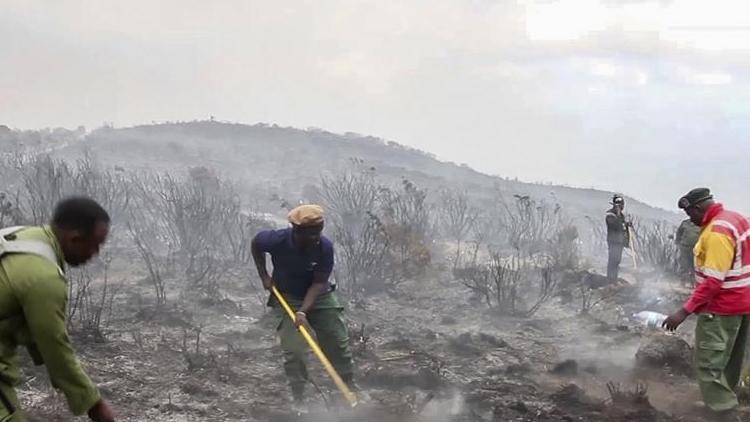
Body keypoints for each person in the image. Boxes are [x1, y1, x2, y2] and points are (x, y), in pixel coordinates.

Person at [0, 197, 116, 422]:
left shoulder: (22, 237)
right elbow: (55, 347)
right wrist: (94, 404)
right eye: (96, 244)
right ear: (75, 238)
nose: (96, 253)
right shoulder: (44, 277)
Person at [251, 204, 354, 409]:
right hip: (288, 297)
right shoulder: (276, 240)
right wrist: (264, 275)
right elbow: (256, 244)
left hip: (320, 297)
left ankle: (349, 389)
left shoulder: (324, 247)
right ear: (296, 230)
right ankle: (298, 399)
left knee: (337, 342)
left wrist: (302, 312)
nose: (315, 238)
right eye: (310, 234)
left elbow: (318, 283)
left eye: (318, 232)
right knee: (294, 351)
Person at [663, 188, 750, 422]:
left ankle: (723, 412)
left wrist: (683, 311)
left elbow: (713, 282)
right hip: (743, 304)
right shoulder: (736, 218)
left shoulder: (716, 233)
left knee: (708, 362)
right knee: (730, 358)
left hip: (721, 308)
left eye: (689, 213)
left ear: (698, 208)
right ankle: (725, 398)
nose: (689, 218)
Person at [605, 194, 631, 281]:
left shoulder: (622, 216)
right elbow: (614, 225)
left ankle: (614, 278)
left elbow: (623, 228)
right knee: (613, 260)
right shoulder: (610, 215)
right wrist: (619, 216)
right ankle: (610, 279)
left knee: (617, 261)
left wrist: (627, 239)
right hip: (613, 241)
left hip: (620, 242)